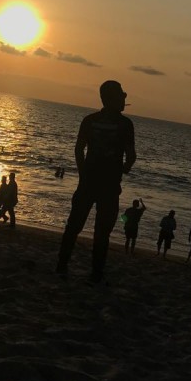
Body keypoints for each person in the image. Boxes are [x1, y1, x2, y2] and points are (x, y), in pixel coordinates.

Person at [56, 80, 136, 284]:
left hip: (88, 182)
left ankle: (62, 265)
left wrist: (83, 173)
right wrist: (123, 169)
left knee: (74, 226)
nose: (124, 100)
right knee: (102, 233)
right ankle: (96, 273)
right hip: (109, 186)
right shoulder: (125, 125)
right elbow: (131, 156)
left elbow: (78, 150)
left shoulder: (89, 120)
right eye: (121, 96)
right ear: (111, 99)